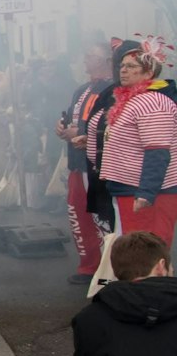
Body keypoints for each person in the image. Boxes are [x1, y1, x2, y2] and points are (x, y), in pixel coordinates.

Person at [95, 47, 177, 241]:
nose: (123, 70)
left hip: (148, 193)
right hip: (130, 189)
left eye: (131, 66)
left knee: (145, 255)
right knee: (133, 252)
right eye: (122, 65)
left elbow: (157, 152)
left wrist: (146, 194)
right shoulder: (134, 100)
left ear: (149, 73)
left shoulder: (153, 103)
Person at [61, 41, 115, 285]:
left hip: (97, 164)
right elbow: (71, 116)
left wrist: (80, 133)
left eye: (91, 55)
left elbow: (105, 125)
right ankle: (88, 266)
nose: (85, 59)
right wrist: (61, 127)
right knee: (77, 212)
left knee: (101, 218)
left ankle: (107, 269)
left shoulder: (114, 90)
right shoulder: (81, 88)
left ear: (106, 60)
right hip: (76, 161)